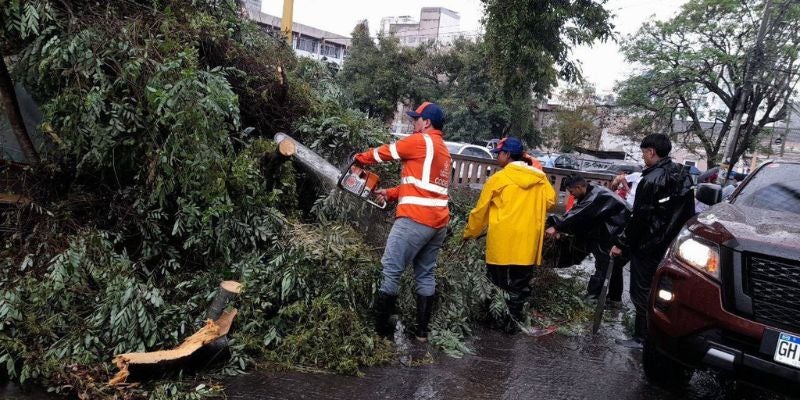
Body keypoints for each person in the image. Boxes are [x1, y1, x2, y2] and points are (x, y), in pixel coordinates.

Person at [354, 102, 451, 342]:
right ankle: (422, 333)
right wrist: (390, 193)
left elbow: (385, 152)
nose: (414, 123)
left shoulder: (420, 141)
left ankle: (379, 331)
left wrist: (359, 159)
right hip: (438, 224)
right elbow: (423, 185)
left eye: (416, 119)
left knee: (390, 269)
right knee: (425, 275)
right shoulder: (443, 150)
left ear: (426, 122)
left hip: (415, 220)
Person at [610, 134, 695, 348]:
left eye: (643, 153)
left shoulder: (651, 179)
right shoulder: (682, 175)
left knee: (641, 290)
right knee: (661, 290)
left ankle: (642, 336)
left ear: (651, 151)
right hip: (671, 244)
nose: (643, 157)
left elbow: (640, 217)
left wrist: (621, 244)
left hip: (648, 244)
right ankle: (658, 332)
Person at [463, 137, 556, 331]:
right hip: (527, 242)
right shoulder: (540, 179)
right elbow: (550, 202)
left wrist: (470, 232)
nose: (497, 157)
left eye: (499, 154)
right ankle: (511, 323)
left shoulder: (498, 179)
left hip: (501, 241)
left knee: (496, 283)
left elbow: (480, 211)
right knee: (519, 285)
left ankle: (494, 319)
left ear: (507, 155)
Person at [545, 175, 630, 307]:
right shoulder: (593, 190)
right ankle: (614, 299)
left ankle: (592, 298)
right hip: (615, 230)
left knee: (604, 264)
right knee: (614, 266)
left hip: (617, 232)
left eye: (572, 192)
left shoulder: (595, 196)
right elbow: (577, 212)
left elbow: (578, 214)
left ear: (579, 187)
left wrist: (556, 226)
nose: (571, 195)